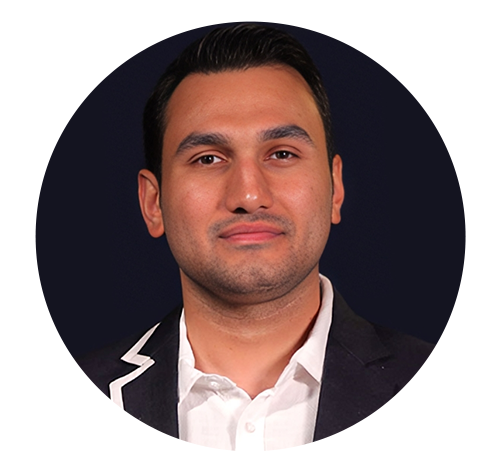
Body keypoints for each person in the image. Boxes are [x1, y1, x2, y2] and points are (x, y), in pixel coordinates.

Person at [48, 23, 463, 453]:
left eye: (282, 154)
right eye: (208, 159)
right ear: (153, 203)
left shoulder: (469, 403)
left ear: (335, 188)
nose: (248, 195)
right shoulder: (47, 417)